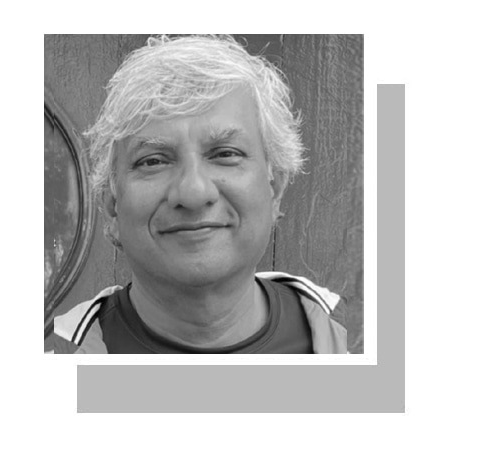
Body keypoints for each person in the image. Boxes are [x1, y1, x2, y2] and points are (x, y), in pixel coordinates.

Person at [49, 35, 347, 354]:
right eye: (153, 161)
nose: (193, 193)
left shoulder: (360, 342)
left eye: (225, 154)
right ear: (112, 206)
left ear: (275, 189)